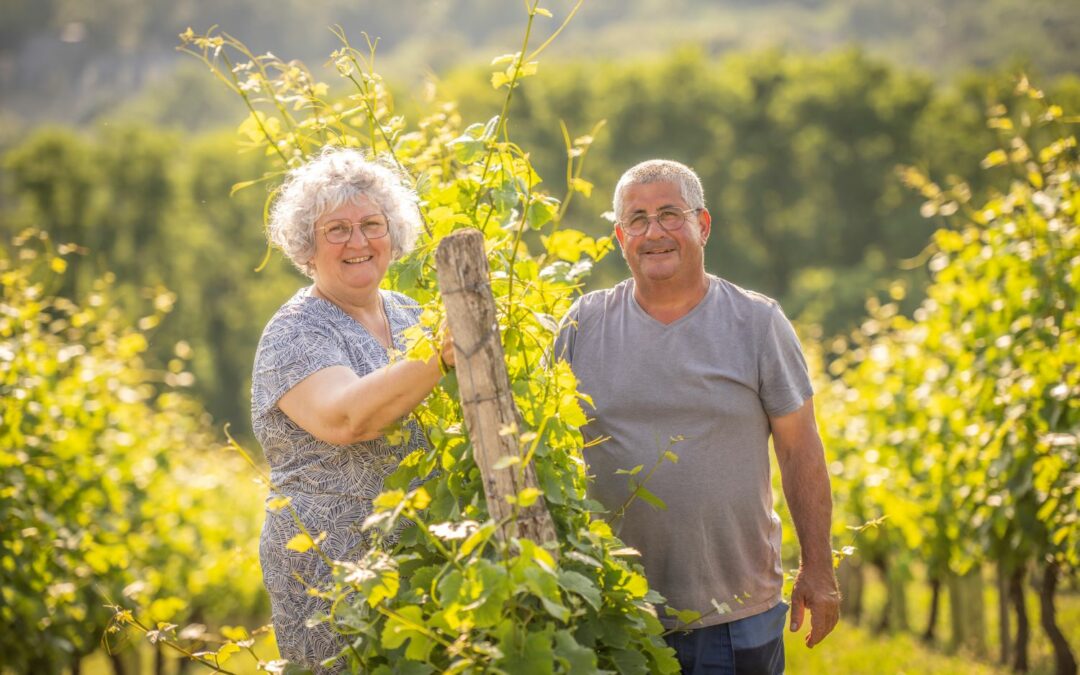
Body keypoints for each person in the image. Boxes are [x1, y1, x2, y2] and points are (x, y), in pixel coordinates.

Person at [555, 159, 839, 674]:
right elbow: (544, 449)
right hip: (611, 611)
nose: (654, 232)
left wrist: (819, 569)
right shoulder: (582, 325)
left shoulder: (757, 323)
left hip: (735, 614)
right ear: (621, 236)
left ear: (702, 225)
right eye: (637, 219)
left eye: (669, 214)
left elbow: (800, 450)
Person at [250, 147, 453, 671]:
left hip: (418, 572)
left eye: (371, 224)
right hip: (332, 580)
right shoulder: (296, 331)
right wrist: (442, 353)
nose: (359, 241)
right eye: (337, 229)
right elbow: (345, 418)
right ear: (307, 247)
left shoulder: (410, 315)